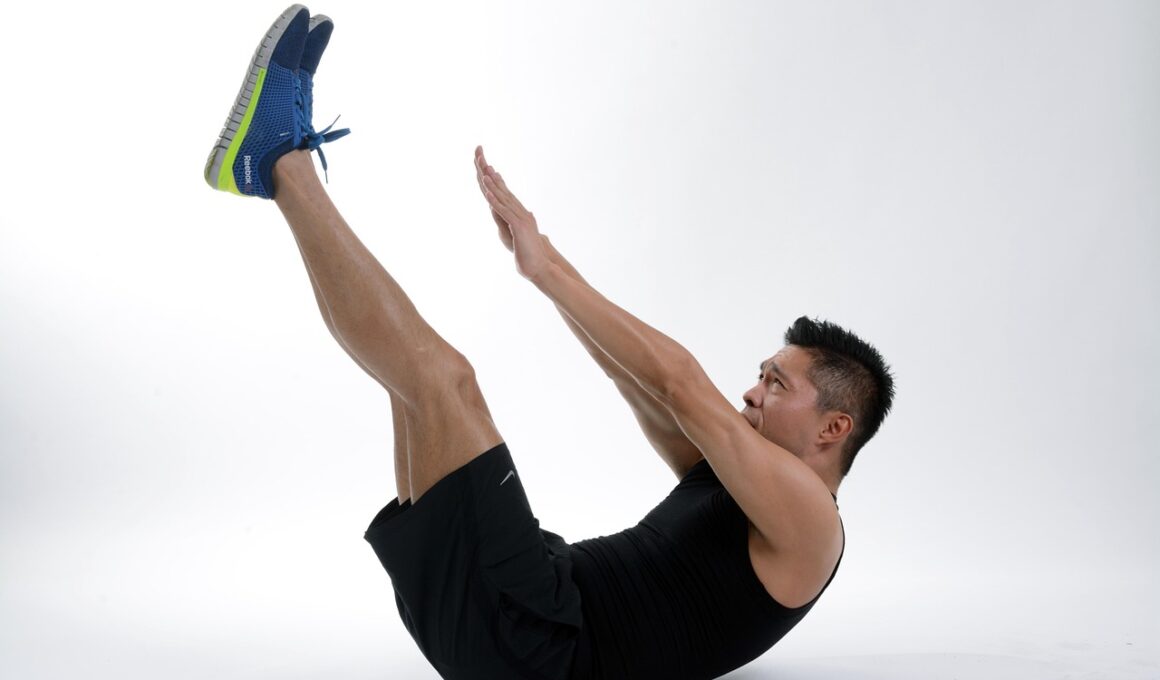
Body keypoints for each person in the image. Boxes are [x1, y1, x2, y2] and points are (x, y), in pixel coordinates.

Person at [204, 7, 896, 680]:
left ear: (834, 427)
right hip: (525, 618)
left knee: (445, 379)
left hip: (538, 645)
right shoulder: (742, 484)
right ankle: (277, 163)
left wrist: (546, 270)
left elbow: (682, 382)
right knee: (413, 385)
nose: (750, 390)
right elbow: (641, 383)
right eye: (761, 374)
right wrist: (541, 263)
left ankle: (279, 160)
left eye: (776, 383)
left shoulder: (813, 526)